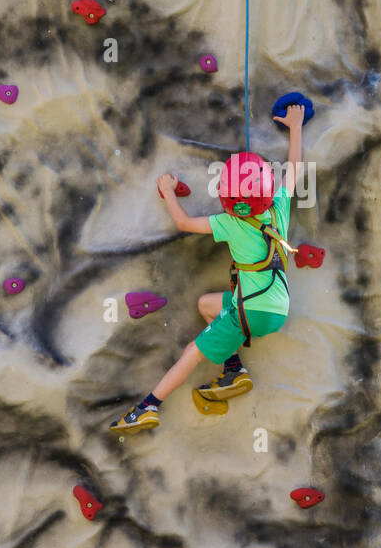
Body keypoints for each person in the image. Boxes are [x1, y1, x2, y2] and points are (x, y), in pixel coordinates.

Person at [109, 105, 305, 435]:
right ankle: (233, 370)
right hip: (277, 308)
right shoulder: (278, 209)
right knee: (208, 305)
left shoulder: (229, 222)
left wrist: (168, 192)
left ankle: (147, 407)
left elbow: (184, 223)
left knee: (192, 352)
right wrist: (296, 128)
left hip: (250, 310)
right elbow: (294, 168)